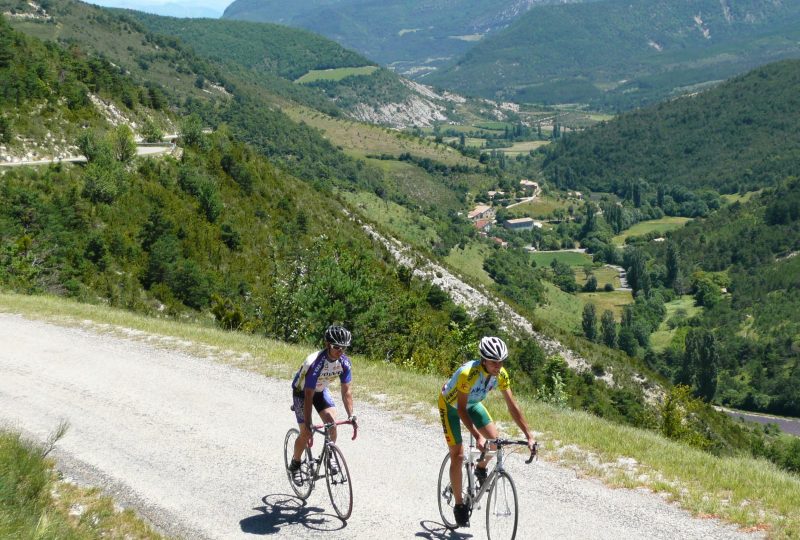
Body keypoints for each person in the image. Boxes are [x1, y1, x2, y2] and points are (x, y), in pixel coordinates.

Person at [438, 336, 537, 527]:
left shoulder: (501, 375)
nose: (498, 366)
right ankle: (459, 504)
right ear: (483, 359)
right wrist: (477, 435)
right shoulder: (469, 373)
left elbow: (512, 406)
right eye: (493, 361)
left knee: (495, 441)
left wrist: (529, 436)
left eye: (501, 361)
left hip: (473, 405)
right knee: (458, 455)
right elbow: (460, 409)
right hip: (450, 407)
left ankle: (480, 467)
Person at [288, 325, 356, 484]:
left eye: (344, 347)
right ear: (327, 345)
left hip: (320, 390)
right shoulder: (315, 363)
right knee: (305, 433)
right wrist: (309, 422)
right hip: (302, 392)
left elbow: (347, 392)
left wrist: (351, 415)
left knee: (332, 423)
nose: (341, 351)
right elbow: (308, 395)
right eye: (337, 347)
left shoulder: (345, 363)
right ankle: (296, 463)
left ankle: (329, 455)